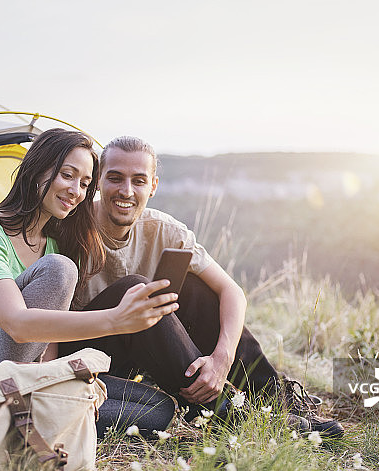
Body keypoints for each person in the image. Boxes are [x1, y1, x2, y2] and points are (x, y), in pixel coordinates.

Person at [57, 136, 344, 437]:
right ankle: (231, 415)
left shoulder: (164, 230)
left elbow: (231, 291)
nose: (126, 191)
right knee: (138, 289)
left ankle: (273, 401)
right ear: (97, 181)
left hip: (142, 353)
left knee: (195, 290)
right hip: (87, 356)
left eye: (138, 181)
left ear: (153, 186)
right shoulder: (70, 227)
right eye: (115, 178)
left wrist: (221, 359)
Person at [0, 128, 178, 368]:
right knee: (60, 268)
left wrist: (50, 380)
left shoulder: (54, 244)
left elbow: (46, 345)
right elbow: (16, 323)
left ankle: (25, 401)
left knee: (156, 409)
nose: (76, 191)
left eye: (85, 183)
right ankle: (3, 404)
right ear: (37, 170)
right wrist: (115, 319)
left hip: (22, 369)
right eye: (67, 175)